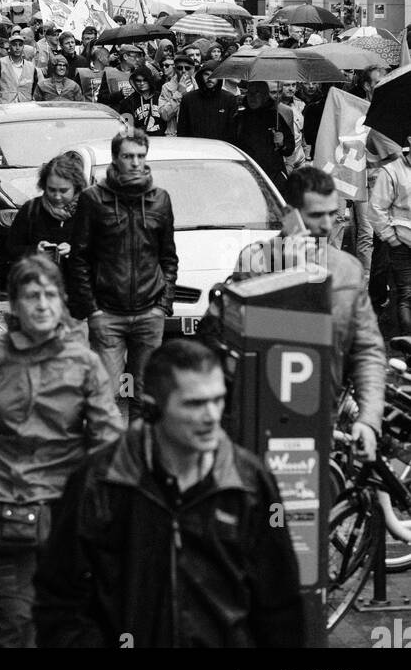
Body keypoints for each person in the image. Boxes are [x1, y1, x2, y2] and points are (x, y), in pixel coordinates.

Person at [33, 338, 305, 648]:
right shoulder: (100, 481)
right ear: (152, 409)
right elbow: (58, 599)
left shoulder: (250, 483)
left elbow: (281, 606)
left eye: (218, 400)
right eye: (194, 403)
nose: (212, 416)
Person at [0, 253, 122, 648]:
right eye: (32, 296)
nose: (43, 304)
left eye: (51, 295)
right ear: (14, 305)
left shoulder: (84, 364)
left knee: (53, 627)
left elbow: (109, 441)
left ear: (63, 301)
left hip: (63, 518)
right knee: (14, 623)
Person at [203, 166, 385, 456]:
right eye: (316, 215)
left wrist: (369, 418)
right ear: (290, 215)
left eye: (332, 213)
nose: (327, 225)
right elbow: (239, 335)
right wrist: (289, 274)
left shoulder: (347, 270)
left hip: (322, 418)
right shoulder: (257, 260)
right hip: (261, 418)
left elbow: (367, 349)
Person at [67, 129, 178, 424]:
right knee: (103, 398)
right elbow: (79, 259)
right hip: (108, 313)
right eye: (128, 156)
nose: (135, 163)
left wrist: (162, 306)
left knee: (145, 397)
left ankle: (137, 461)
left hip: (149, 313)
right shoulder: (94, 200)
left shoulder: (160, 200)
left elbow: (168, 258)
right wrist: (92, 310)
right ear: (115, 159)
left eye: (141, 156)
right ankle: (105, 461)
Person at [5, 152, 86, 270]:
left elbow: (102, 251)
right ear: (44, 186)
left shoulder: (87, 211)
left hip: (75, 285)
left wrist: (75, 251)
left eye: (63, 191)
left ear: (76, 187)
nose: (57, 196)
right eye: (52, 190)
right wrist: (35, 251)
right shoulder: (31, 210)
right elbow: (11, 250)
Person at [369, 144, 411, 337]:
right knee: (407, 296)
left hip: (400, 241)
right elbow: (376, 209)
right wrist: (391, 238)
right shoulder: (392, 171)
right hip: (402, 243)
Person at [230, 79, 294, 194]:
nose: (252, 97)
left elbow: (289, 148)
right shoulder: (239, 118)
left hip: (273, 178)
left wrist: (282, 143)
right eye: (250, 93)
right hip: (246, 177)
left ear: (265, 96)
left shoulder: (275, 118)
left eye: (257, 93)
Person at [176, 59, 238, 140]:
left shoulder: (229, 99)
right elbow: (182, 130)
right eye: (206, 74)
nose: (210, 78)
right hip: (193, 147)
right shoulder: (188, 99)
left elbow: (231, 132)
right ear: (201, 76)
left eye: (214, 74)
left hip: (219, 148)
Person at [109, 65, 167, 134]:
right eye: (138, 81)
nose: (142, 83)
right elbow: (126, 130)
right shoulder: (128, 102)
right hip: (139, 141)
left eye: (145, 80)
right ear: (134, 82)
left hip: (162, 141)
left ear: (150, 80)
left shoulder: (160, 97)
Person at [0, 27, 37, 104]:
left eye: (20, 45)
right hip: (6, 107)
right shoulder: (1, 63)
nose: (17, 48)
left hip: (25, 107)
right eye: (14, 45)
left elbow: (34, 87)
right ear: (9, 47)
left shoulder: (31, 67)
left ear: (23, 47)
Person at [157, 54, 196, 137]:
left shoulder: (199, 86)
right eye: (180, 68)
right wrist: (179, 92)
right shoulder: (166, 87)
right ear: (175, 69)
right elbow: (164, 115)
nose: (183, 71)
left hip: (195, 133)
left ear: (193, 69)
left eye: (187, 68)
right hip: (174, 135)